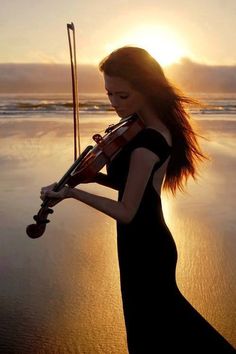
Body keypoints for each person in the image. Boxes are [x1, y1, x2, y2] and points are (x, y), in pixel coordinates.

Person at [41, 46, 235, 353]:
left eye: (123, 95)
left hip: (145, 245)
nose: (115, 104)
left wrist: (72, 192)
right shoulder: (145, 129)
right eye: (110, 95)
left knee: (152, 330)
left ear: (146, 89)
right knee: (157, 328)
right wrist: (94, 177)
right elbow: (130, 186)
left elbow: (128, 210)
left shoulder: (147, 142)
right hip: (142, 241)